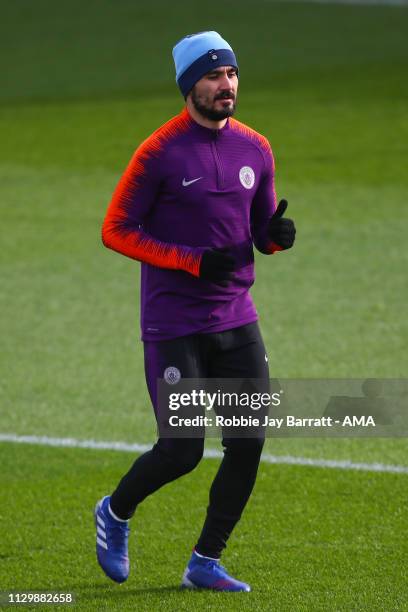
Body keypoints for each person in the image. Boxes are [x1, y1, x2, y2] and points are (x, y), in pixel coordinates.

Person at [95, 31, 296, 592]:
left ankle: (205, 561)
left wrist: (276, 238)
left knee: (248, 442)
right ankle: (114, 512)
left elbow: (259, 230)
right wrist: (189, 261)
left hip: (236, 319)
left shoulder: (255, 147)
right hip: (173, 323)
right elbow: (115, 229)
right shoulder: (158, 152)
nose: (225, 85)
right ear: (190, 86)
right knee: (182, 450)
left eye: (231, 74)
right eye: (212, 76)